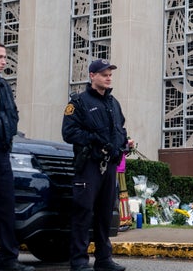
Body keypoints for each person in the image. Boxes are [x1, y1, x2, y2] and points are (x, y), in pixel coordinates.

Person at [62, 59, 131, 271]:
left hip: (110, 166)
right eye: (104, 74)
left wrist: (124, 143)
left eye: (110, 74)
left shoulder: (113, 103)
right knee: (83, 213)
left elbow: (119, 128)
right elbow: (69, 133)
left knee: (104, 215)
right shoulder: (79, 102)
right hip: (89, 166)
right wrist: (96, 141)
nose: (108, 77)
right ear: (92, 76)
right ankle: (79, 261)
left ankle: (104, 259)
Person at [0, 41, 35, 271]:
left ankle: (9, 259)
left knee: (6, 208)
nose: (4, 61)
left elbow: (12, 116)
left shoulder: (3, 86)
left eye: (5, 57)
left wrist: (8, 130)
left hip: (3, 154)